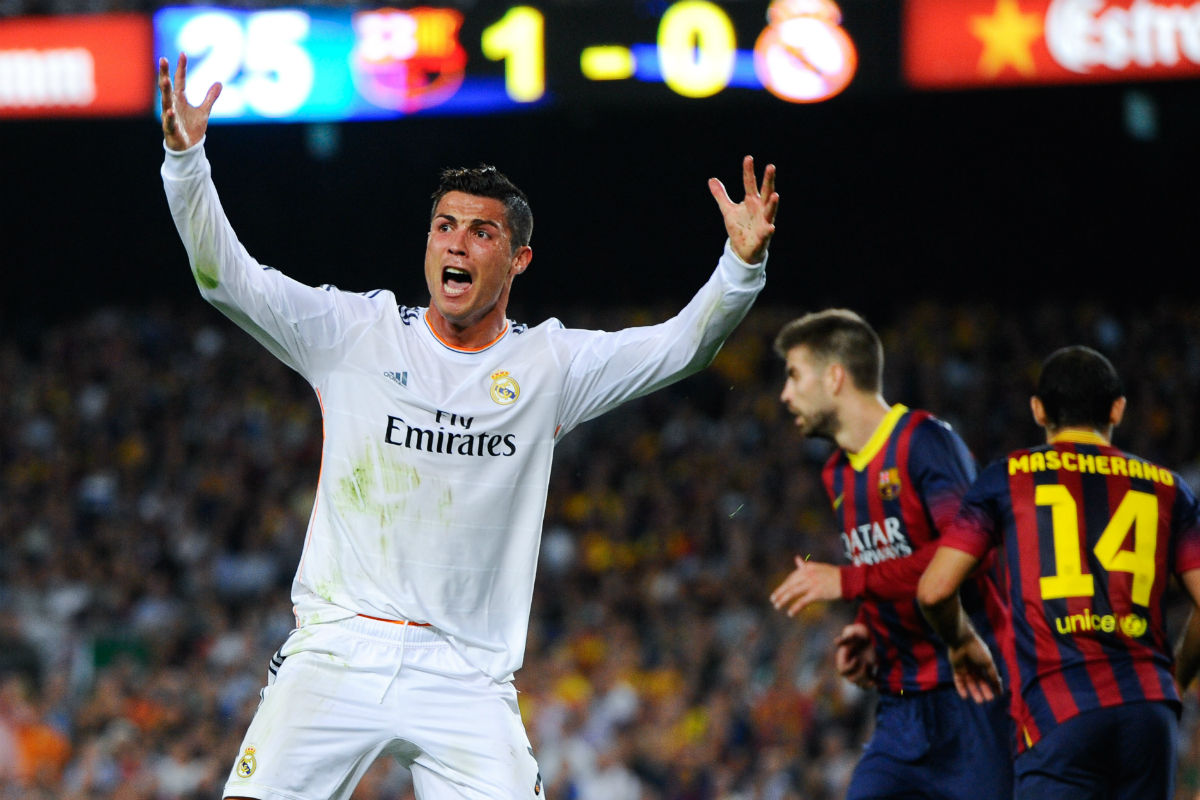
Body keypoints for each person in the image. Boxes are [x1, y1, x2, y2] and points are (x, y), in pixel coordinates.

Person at [156, 53, 777, 800]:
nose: (454, 242)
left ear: (517, 259)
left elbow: (682, 347)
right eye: (444, 226)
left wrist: (739, 267)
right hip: (336, 649)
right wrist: (186, 164)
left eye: (480, 232)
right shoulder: (357, 334)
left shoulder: (550, 366)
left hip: (467, 674)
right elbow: (228, 277)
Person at [917, 345, 1200, 800]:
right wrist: (1178, 678)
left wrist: (960, 641)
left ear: (1038, 410)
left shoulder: (1006, 478)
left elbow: (934, 591)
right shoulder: (1169, 487)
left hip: (1059, 709)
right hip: (1148, 711)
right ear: (1117, 409)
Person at [768, 308, 1013, 800]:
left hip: (973, 695)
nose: (785, 394)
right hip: (901, 706)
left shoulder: (924, 442)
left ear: (835, 377)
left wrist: (848, 583)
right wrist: (871, 628)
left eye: (795, 376)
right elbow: (890, 563)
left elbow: (966, 555)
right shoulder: (837, 473)